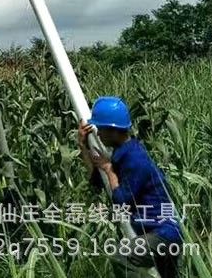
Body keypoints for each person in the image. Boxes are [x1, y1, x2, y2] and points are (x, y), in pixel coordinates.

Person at [78, 96, 182, 278]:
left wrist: (109, 169)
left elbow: (122, 201)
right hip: (155, 231)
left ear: (114, 131)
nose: (99, 134)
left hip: (163, 233)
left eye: (101, 129)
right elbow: (95, 182)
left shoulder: (135, 160)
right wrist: (84, 147)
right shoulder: (123, 154)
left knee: (122, 257)